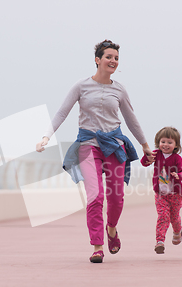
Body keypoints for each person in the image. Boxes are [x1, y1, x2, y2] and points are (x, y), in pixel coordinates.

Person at [36, 40, 154, 263]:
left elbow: (131, 119)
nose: (113, 61)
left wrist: (145, 146)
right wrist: (46, 136)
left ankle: (111, 228)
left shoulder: (119, 89)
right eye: (109, 57)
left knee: (116, 197)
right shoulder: (81, 87)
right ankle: (97, 246)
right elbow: (62, 112)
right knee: (95, 196)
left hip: (115, 145)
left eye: (116, 58)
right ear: (97, 60)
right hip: (88, 145)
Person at [140, 127, 182, 254]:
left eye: (170, 142)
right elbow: (144, 163)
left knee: (174, 217)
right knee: (162, 216)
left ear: (176, 145)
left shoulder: (177, 158)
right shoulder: (156, 154)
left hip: (175, 194)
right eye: (163, 142)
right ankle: (159, 241)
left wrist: (179, 176)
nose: (166, 145)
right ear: (158, 142)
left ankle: (178, 231)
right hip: (160, 194)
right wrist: (147, 156)